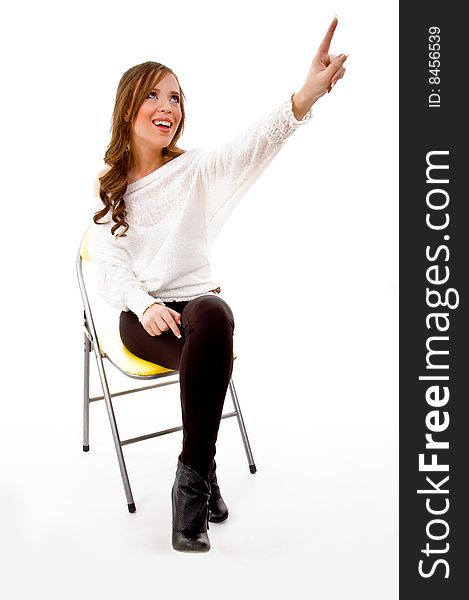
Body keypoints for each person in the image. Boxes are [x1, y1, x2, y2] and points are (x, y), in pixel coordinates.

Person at [89, 16, 348, 553]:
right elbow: (109, 266)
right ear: (128, 106)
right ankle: (204, 480)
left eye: (177, 98)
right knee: (211, 353)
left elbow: (253, 144)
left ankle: (189, 491)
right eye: (155, 95)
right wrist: (143, 304)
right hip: (142, 321)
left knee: (214, 314)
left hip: (198, 313)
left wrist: (306, 95)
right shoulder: (107, 185)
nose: (169, 107)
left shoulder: (195, 169)